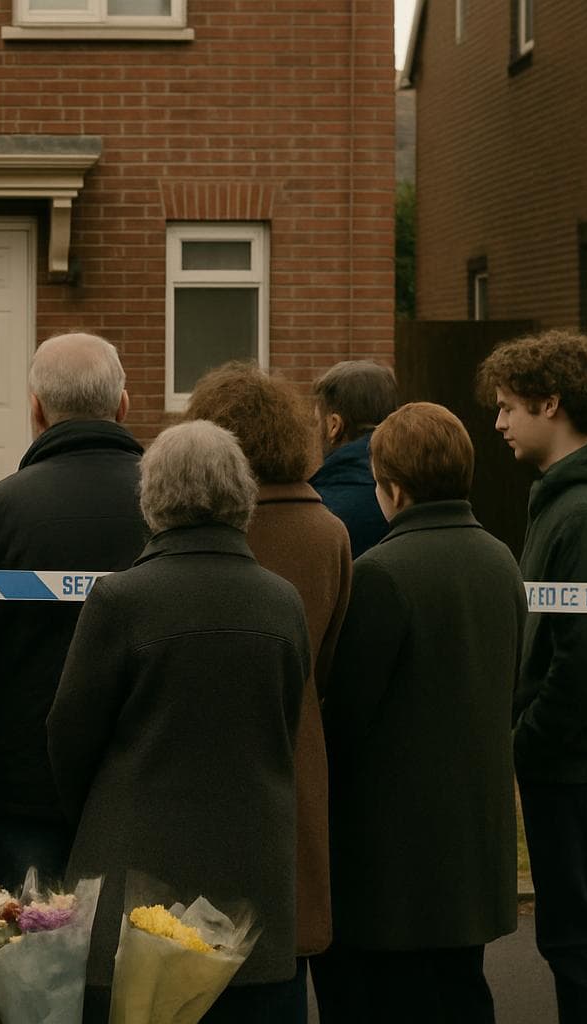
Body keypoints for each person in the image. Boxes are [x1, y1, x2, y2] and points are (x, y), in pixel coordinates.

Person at [49, 420, 309, 1024]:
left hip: (136, 864)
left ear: (152, 497)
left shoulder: (121, 599)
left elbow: (69, 735)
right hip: (254, 864)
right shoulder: (283, 600)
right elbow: (285, 724)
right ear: (241, 496)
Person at [316, 402, 525, 1024]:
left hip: (393, 863)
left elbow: (345, 720)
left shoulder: (381, 573)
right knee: (460, 994)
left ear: (395, 488)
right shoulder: (500, 560)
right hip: (471, 844)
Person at [0, 332, 146, 892]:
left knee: (33, 964)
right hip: (144, 784)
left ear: (36, 409)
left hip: (23, 789)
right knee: (145, 963)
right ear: (122, 405)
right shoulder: (169, 507)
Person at [478, 331, 587, 1023]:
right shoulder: (563, 497)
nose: (497, 424)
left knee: (576, 936)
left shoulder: (586, 513)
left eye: (508, 407)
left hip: (571, 758)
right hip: (567, 754)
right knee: (568, 933)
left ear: (551, 404)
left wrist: (528, 739)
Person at [185, 363, 352, 1012]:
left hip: (197, 762)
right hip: (294, 758)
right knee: (280, 961)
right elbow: (330, 661)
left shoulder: (194, 530)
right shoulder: (328, 532)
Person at [309, 360, 398, 558]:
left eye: (316, 422)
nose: (315, 432)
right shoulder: (412, 498)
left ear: (334, 425)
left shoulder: (318, 510)